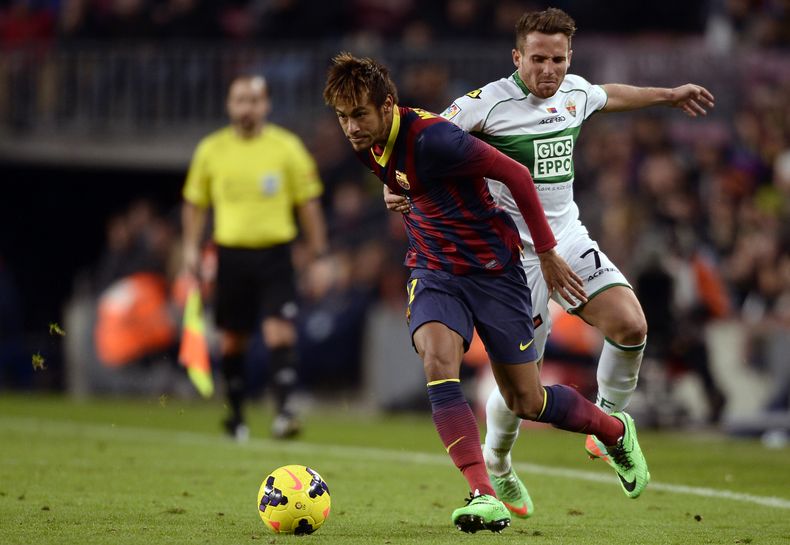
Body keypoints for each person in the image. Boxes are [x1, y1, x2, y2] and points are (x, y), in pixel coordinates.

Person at [384, 7, 714, 517]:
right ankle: (497, 461)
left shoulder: (574, 93)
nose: (548, 70)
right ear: (517, 57)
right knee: (523, 390)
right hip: (508, 260)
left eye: (558, 60)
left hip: (566, 241)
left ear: (569, 58)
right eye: (537, 59)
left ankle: (609, 424)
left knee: (631, 325)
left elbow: (608, 95)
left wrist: (668, 95)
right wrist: (398, 185)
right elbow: (423, 138)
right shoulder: (485, 104)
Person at [324, 52, 649, 533]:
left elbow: (516, 175)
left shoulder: (434, 138)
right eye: (343, 117)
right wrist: (397, 193)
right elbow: (411, 185)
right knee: (438, 361)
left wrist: (547, 252)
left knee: (526, 401)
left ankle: (615, 431)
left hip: (496, 272)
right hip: (435, 270)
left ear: (387, 105)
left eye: (359, 115)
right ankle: (483, 494)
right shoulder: (367, 141)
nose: (351, 127)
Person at [182, 75, 328, 441]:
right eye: (240, 100)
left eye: (253, 100)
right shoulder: (211, 150)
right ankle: (236, 417)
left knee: (280, 330)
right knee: (233, 339)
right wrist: (190, 247)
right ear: (229, 105)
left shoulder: (287, 147)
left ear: (266, 105)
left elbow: (308, 203)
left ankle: (284, 412)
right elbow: (195, 203)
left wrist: (318, 252)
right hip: (230, 254)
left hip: (275, 252)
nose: (247, 107)